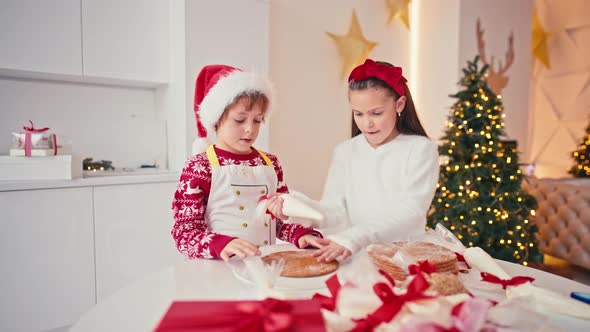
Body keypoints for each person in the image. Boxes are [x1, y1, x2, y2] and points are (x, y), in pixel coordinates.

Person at [171, 64, 322, 261]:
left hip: (264, 264)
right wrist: (221, 244)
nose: (250, 129)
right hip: (219, 268)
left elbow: (276, 222)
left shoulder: (271, 164)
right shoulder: (199, 167)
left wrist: (301, 235)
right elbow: (184, 233)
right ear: (217, 120)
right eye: (240, 120)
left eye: (257, 120)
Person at [305, 59, 440, 263]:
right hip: (355, 254)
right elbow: (333, 210)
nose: (366, 123)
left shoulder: (420, 149)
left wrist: (354, 237)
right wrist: (296, 208)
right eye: (358, 114)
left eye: (376, 113)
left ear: (399, 104)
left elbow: (411, 212)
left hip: (404, 257)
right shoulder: (345, 151)